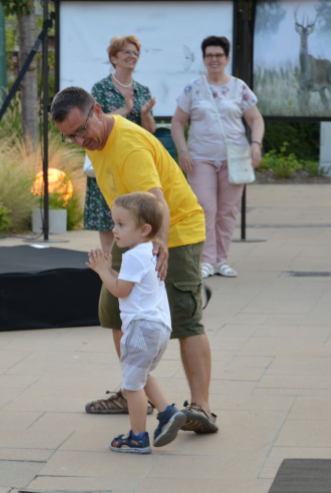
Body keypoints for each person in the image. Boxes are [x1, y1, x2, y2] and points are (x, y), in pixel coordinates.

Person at [52, 86, 219, 435]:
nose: (81, 141)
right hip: (132, 234)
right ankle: (134, 388)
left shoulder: (129, 147)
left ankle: (201, 407)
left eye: (82, 130)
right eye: (71, 137)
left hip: (174, 233)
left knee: (187, 319)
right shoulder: (95, 141)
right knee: (113, 312)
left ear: (97, 110)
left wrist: (160, 241)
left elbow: (157, 202)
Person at [86, 192, 186, 454]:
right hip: (159, 328)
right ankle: (168, 412)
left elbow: (120, 290)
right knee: (140, 374)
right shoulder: (149, 253)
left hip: (141, 329)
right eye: (114, 223)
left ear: (144, 229)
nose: (114, 230)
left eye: (121, 224)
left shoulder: (132, 256)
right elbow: (132, 283)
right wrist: (111, 272)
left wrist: (103, 272)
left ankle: (138, 437)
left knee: (132, 384)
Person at [171, 36, 265, 279]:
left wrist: (255, 144)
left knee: (227, 210)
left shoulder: (239, 87)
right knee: (204, 208)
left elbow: (255, 119)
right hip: (200, 158)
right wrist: (182, 150)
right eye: (209, 55)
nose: (214, 59)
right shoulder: (193, 87)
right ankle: (206, 260)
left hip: (235, 158)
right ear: (203, 59)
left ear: (227, 59)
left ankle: (222, 260)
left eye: (219, 55)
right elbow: (178, 122)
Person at [84, 35, 157, 255]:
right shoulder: (101, 88)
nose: (132, 56)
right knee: (108, 227)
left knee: (135, 222)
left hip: (131, 163)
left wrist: (144, 114)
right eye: (126, 52)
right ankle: (111, 278)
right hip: (106, 162)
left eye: (135, 53)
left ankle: (132, 275)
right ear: (114, 58)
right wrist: (125, 109)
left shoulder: (142, 90)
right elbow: (93, 124)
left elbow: (150, 131)